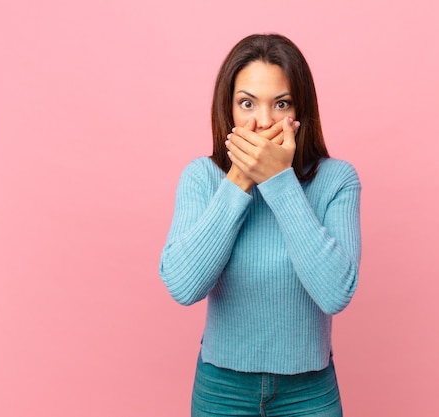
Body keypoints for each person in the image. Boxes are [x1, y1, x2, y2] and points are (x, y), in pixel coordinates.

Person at [159, 33, 361, 417]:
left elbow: (336, 293)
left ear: (300, 111)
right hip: (222, 391)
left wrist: (279, 182)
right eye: (247, 103)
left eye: (280, 103)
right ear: (228, 109)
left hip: (309, 394)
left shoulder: (337, 180)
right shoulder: (201, 178)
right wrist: (239, 179)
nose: (264, 121)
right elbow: (184, 287)